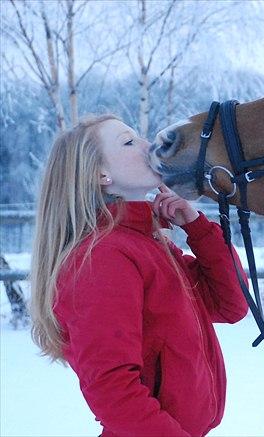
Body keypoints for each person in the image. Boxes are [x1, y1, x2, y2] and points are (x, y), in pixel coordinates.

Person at [29, 114, 249, 436]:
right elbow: (113, 390)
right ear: (99, 174)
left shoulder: (148, 243)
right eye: (129, 142)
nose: (149, 146)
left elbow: (230, 304)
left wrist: (198, 229)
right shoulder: (101, 259)